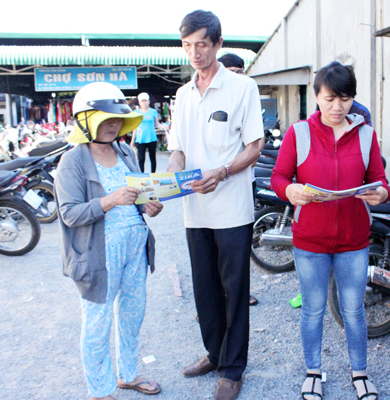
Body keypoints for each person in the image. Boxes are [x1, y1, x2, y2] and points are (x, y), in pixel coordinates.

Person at [271, 61, 390, 400]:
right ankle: (312, 371)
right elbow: (279, 178)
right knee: (313, 309)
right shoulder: (299, 133)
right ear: (316, 97)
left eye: (345, 98)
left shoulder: (366, 135)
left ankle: (360, 373)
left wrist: (380, 192)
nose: (337, 107)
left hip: (354, 240)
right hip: (310, 240)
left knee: (353, 310)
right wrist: (290, 191)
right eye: (329, 99)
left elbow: (379, 181)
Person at [166, 10, 263, 400]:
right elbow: (178, 149)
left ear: (219, 44)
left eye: (202, 44)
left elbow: (254, 147)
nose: (195, 53)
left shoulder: (243, 88)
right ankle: (213, 353)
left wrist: (221, 172)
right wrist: (171, 178)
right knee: (204, 287)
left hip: (232, 208)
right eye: (188, 45)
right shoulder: (182, 94)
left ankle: (233, 368)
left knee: (234, 288)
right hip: (195, 210)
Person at [55, 82, 164, 400]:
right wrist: (110, 200)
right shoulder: (72, 162)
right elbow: (70, 214)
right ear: (85, 119)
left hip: (135, 247)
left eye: (117, 118)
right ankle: (99, 390)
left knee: (132, 313)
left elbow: (138, 193)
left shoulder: (125, 151)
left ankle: (128, 375)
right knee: (97, 323)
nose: (113, 124)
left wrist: (149, 205)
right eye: (105, 118)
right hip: (98, 254)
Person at [218, 52, 262, 308]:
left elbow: (256, 148)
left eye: (240, 71)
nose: (237, 76)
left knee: (239, 246)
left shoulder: (248, 96)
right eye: (231, 72)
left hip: (244, 183)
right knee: (213, 249)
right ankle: (215, 299)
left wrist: (230, 166)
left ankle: (241, 293)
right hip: (212, 188)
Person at [130, 92, 167, 173]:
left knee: (153, 158)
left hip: (152, 138)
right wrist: (132, 141)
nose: (144, 103)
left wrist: (165, 127)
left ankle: (153, 175)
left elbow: (157, 124)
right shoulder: (136, 113)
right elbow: (135, 127)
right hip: (140, 139)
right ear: (139, 102)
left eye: (146, 101)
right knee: (141, 159)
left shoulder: (153, 112)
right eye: (142, 101)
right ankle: (141, 176)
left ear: (149, 101)